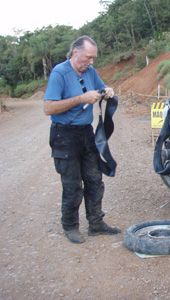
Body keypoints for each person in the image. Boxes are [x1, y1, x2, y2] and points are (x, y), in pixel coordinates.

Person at [44, 35, 121, 244]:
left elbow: (101, 87)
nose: (91, 62)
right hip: (64, 135)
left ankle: (96, 224)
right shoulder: (59, 73)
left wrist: (107, 92)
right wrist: (80, 99)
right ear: (75, 52)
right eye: (88, 57)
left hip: (86, 133)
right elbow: (48, 107)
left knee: (95, 179)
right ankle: (70, 226)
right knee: (72, 184)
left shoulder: (90, 72)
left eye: (93, 58)